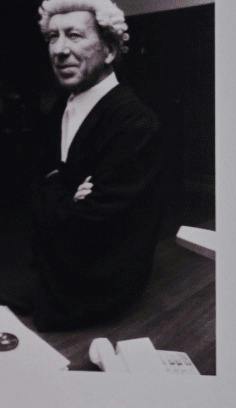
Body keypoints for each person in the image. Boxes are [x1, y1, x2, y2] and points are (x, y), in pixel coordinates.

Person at [27, 0, 164, 330]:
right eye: (51, 37)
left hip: (96, 291)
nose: (59, 50)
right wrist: (66, 195)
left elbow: (93, 224)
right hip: (47, 270)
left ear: (110, 50)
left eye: (74, 35)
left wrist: (54, 192)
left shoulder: (135, 123)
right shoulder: (59, 107)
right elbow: (29, 193)